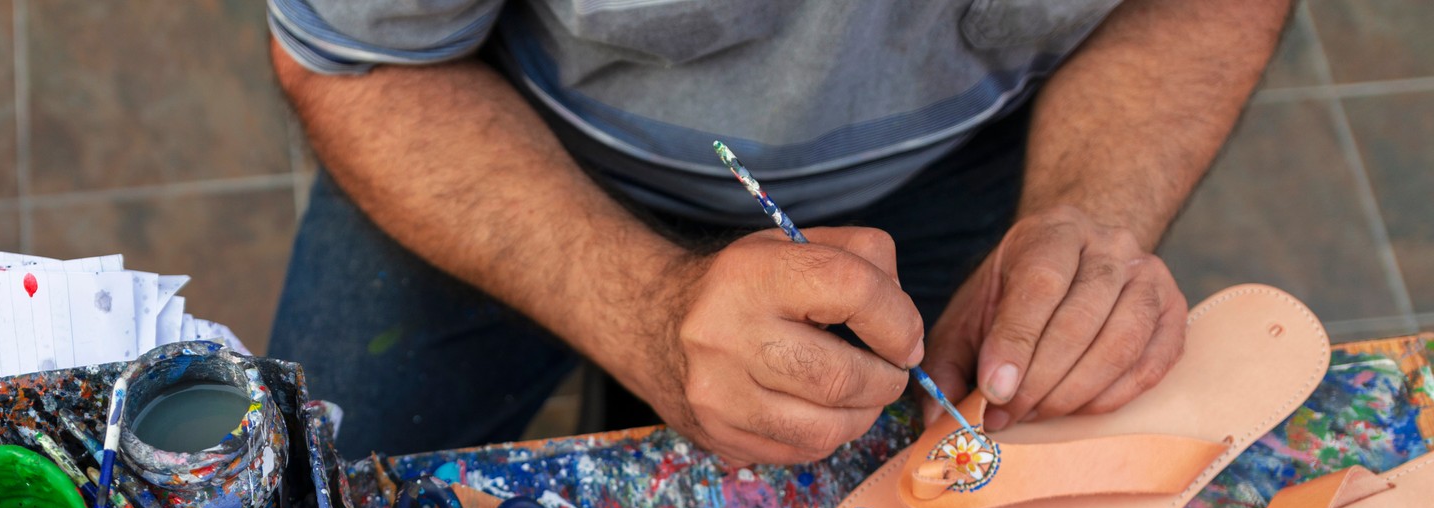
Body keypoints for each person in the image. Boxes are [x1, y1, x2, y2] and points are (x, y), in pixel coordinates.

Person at [265, 0, 1292, 464]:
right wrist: (643, 312)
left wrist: (1091, 209)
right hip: (502, 147)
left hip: (957, 165)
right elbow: (361, 61)